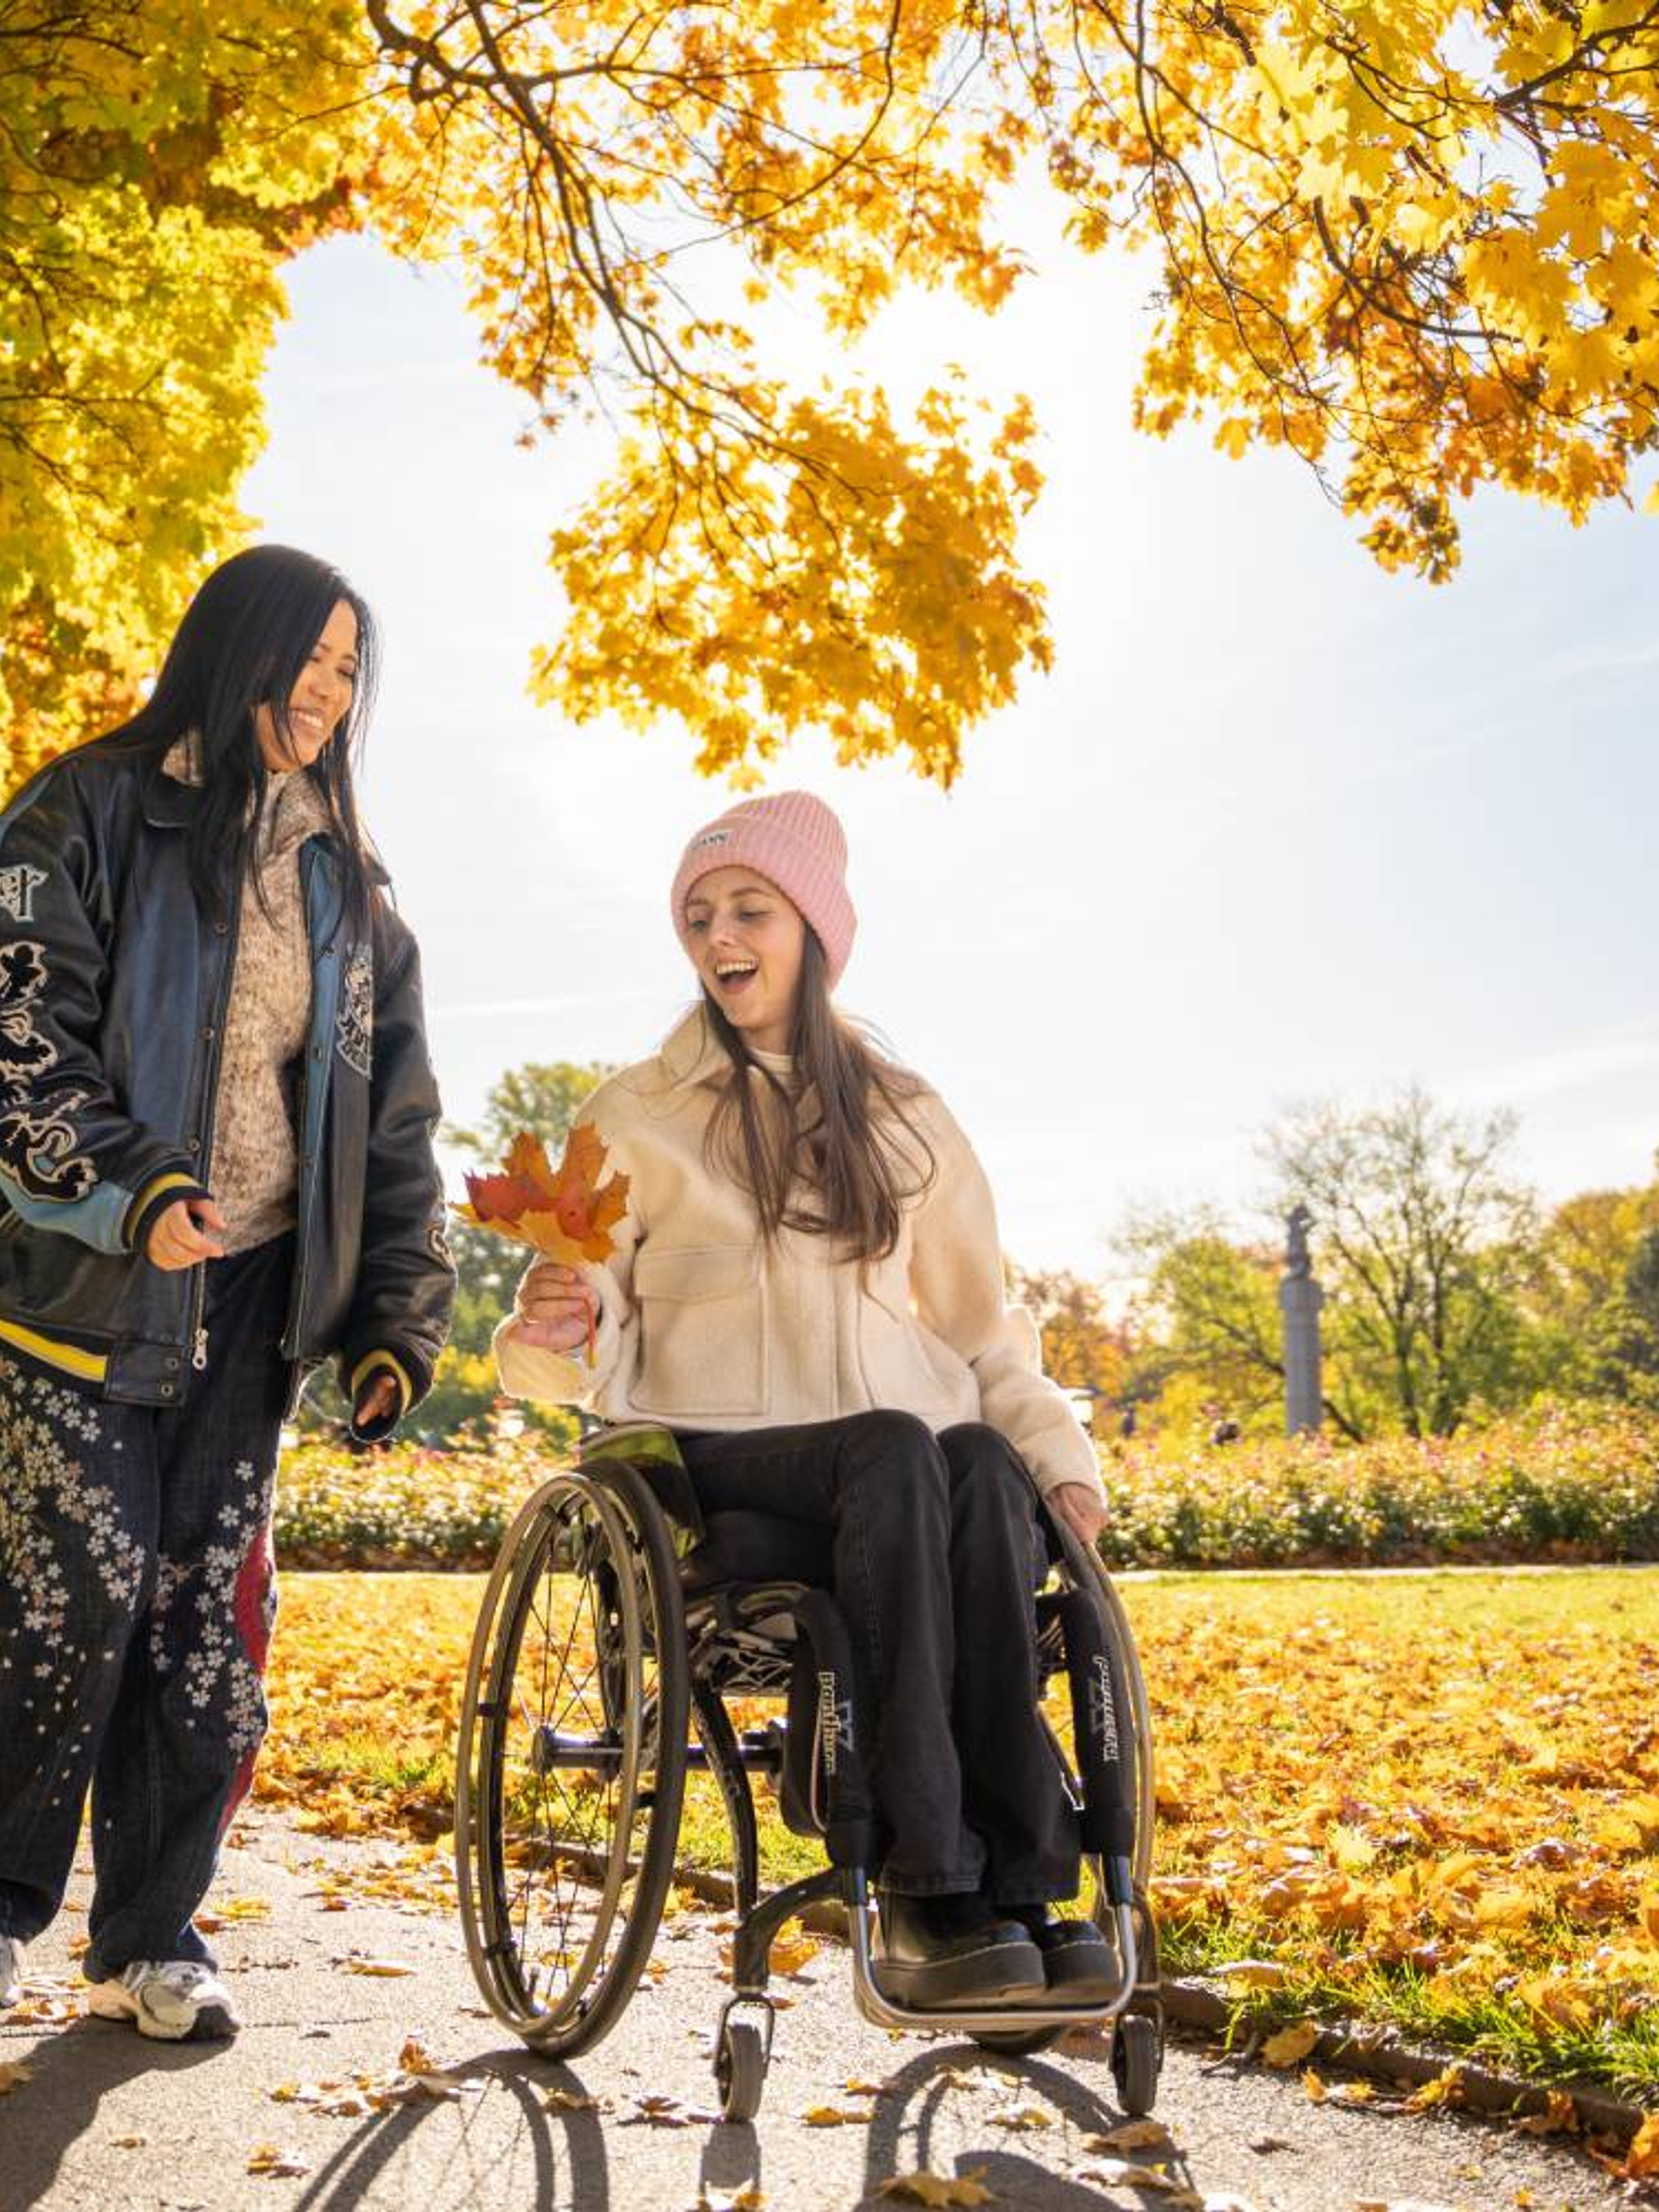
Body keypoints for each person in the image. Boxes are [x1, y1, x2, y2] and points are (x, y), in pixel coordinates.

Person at [494, 791, 1113, 2009]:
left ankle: (1031, 1891)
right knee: (898, 1449)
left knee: (980, 1465)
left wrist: (1060, 1459)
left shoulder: (905, 1115)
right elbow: (573, 1342)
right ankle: (930, 1888)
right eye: (696, 916)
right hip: (721, 1473)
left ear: (814, 928)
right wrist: (549, 1327)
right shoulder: (634, 1115)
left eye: (748, 910)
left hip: (900, 1487)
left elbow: (983, 1329)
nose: (719, 935)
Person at [0, 545, 454, 2041]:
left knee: (205, 1621)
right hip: (83, 1288)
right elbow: (20, 1032)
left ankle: (150, 1935)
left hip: (253, 1304)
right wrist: (131, 1187)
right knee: (78, 1593)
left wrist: (393, 1319)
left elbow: (392, 1126)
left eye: (349, 672)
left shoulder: (351, 892)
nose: (329, 694)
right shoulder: (91, 809)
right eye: (310, 660)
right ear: (236, 651)